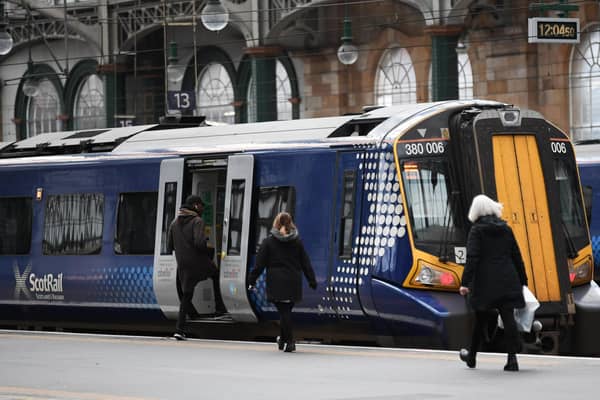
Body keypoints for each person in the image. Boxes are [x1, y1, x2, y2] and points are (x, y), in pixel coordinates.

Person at [459, 194, 528, 371]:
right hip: (507, 278)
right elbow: (516, 255)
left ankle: (472, 357)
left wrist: (465, 283)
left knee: (480, 319)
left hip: (485, 282)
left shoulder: (477, 230)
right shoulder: (506, 228)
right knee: (508, 316)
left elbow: (472, 258)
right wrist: (523, 280)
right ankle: (512, 360)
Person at [247, 212, 317, 352]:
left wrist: (251, 280)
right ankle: (283, 339)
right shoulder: (297, 242)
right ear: (291, 223)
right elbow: (305, 263)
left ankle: (290, 341)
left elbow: (259, 264)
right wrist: (311, 280)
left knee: (284, 312)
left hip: (276, 282)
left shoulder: (268, 242)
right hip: (293, 281)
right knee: (286, 312)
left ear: (276, 224)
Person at [167, 195, 227, 340]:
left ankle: (180, 329)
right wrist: (210, 251)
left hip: (182, 264)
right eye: (201, 206)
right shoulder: (197, 221)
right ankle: (219, 308)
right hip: (197, 261)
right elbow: (200, 243)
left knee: (187, 295)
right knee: (215, 274)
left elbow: (169, 245)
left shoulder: (174, 223)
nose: (202, 209)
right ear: (195, 206)